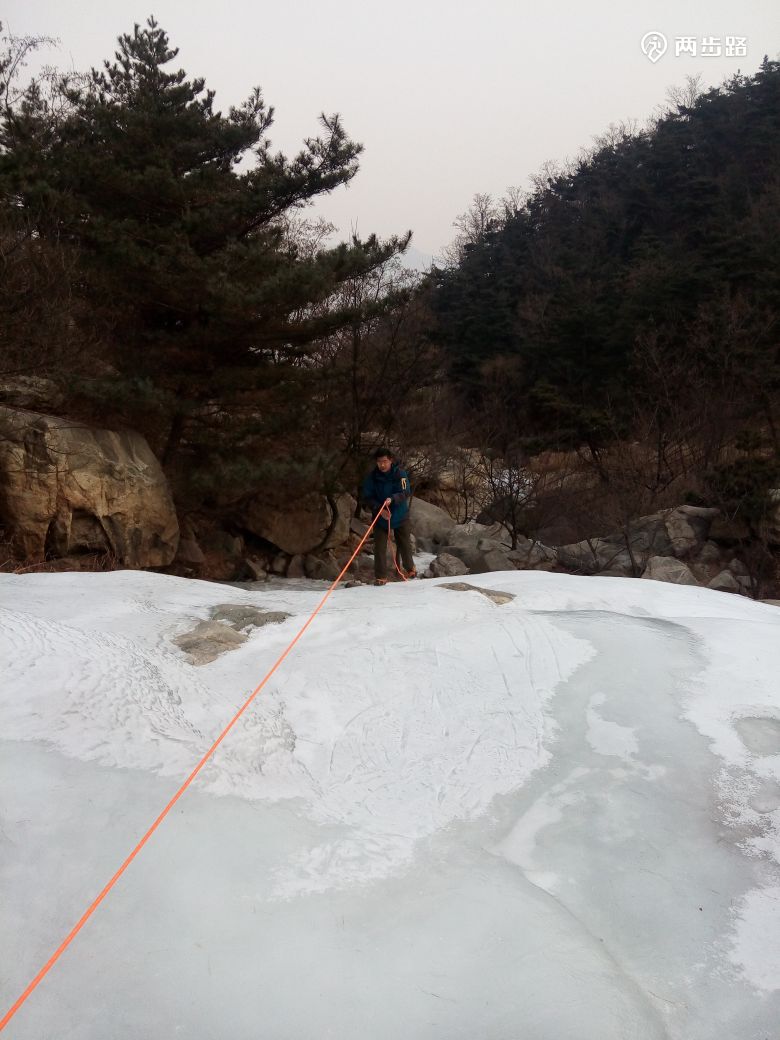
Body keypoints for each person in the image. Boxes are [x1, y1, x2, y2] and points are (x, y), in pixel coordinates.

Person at [361, 448, 416, 585]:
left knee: (404, 543)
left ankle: (410, 568)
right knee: (379, 547)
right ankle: (380, 577)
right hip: (380, 516)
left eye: (385, 461)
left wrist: (392, 499)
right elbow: (368, 497)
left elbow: (405, 492)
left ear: (390, 460)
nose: (382, 465)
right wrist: (380, 509)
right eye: (379, 462)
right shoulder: (372, 478)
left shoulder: (400, 474)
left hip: (400, 514)